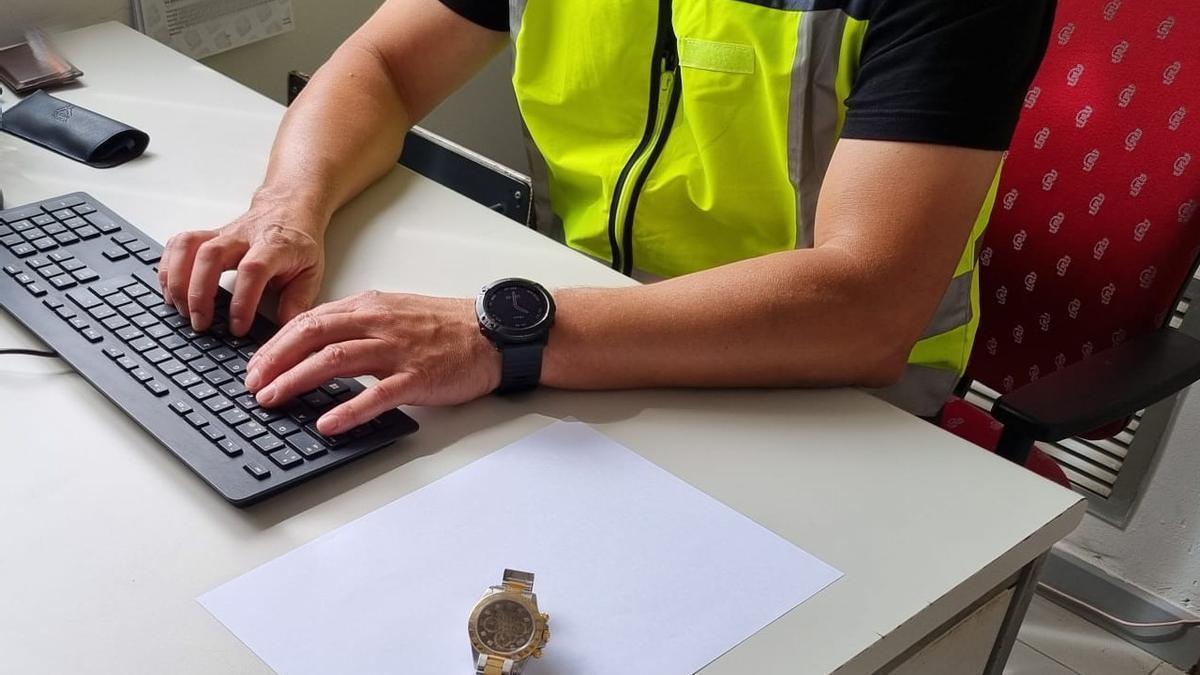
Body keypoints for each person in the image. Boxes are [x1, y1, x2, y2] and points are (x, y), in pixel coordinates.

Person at [158, 0, 1056, 437]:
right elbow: (383, 66)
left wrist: (492, 335)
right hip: (585, 326)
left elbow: (865, 305)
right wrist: (288, 206)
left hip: (829, 390)